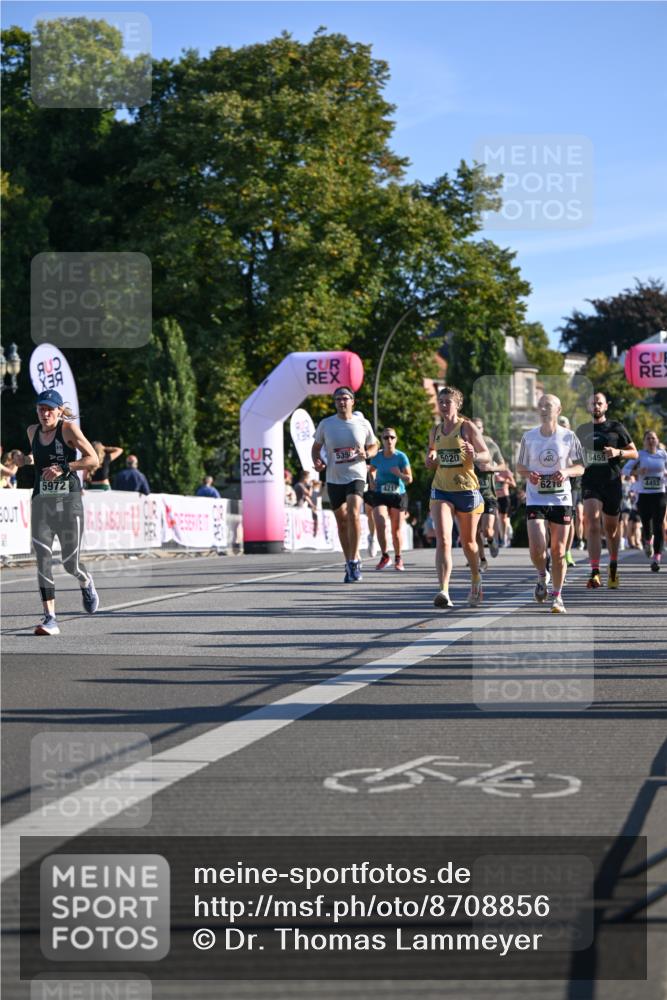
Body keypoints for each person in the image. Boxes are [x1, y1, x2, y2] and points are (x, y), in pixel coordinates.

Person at [13, 389, 100, 636]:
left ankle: (85, 580)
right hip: (42, 501)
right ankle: (50, 617)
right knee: (42, 558)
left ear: (60, 410)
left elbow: (92, 459)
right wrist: (24, 460)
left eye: (50, 408)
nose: (45, 413)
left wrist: (64, 467)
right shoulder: (32, 431)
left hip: (69, 501)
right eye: (41, 408)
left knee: (70, 563)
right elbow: (36, 457)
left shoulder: (68, 430)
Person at [517, 394, 585, 614]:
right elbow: (520, 467)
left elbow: (580, 467)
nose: (543, 409)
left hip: (560, 499)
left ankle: (557, 597)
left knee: (558, 551)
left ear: (559, 409)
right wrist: (530, 474)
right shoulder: (529, 437)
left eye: (548, 406)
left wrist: (566, 471)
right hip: (536, 498)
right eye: (540, 406)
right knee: (537, 548)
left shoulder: (568, 436)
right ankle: (541, 574)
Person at [426, 386, 489, 609]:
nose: (443, 405)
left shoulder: (467, 427)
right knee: (443, 539)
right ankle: (443, 590)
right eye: (441, 401)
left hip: (466, 491)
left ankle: (475, 577)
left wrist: (475, 454)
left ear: (457, 404)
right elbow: (431, 455)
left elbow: (486, 455)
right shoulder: (435, 431)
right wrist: (430, 458)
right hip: (441, 489)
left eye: (448, 402)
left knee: (469, 543)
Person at [312, 386, 378, 582]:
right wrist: (317, 461)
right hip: (334, 477)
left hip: (356, 475)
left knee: (354, 513)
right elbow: (316, 448)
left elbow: (374, 445)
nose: (341, 402)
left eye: (345, 398)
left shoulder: (362, 423)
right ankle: (349, 559)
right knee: (341, 521)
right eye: (338, 399)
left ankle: (355, 561)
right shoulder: (326, 424)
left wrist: (368, 453)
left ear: (352, 401)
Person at [576, 392, 638, 590]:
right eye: (592, 403)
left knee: (611, 528)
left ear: (606, 406)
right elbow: (574, 456)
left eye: (599, 403)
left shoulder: (616, 427)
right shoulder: (582, 429)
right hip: (590, 481)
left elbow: (634, 452)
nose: (596, 406)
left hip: (611, 481)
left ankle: (612, 565)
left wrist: (618, 452)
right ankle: (594, 572)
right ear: (588, 407)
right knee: (592, 522)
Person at [363, 427, 413, 572]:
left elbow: (409, 479)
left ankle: (398, 557)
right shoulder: (378, 457)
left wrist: (399, 474)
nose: (389, 440)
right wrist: (372, 481)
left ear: (396, 439)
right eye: (385, 438)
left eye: (391, 437)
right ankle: (385, 556)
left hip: (398, 495)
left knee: (396, 531)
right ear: (382, 440)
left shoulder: (401, 457)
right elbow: (371, 470)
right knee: (379, 522)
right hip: (380, 494)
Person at [624, 430, 667, 572]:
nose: (651, 441)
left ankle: (657, 558)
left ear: (657, 440)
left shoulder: (663, 454)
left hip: (659, 494)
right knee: (646, 525)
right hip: (644, 495)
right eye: (648, 438)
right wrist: (637, 472)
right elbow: (624, 470)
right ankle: (647, 542)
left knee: (658, 526)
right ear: (643, 441)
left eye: (653, 438)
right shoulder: (640, 455)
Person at [472, 417, 506, 569]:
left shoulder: (491, 445)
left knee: (487, 530)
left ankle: (492, 540)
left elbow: (503, 465)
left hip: (488, 494)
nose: (477, 430)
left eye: (479, 427)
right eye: (474, 427)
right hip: (472, 495)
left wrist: (491, 468)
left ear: (482, 429)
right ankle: (483, 559)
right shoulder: (466, 446)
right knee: (475, 531)